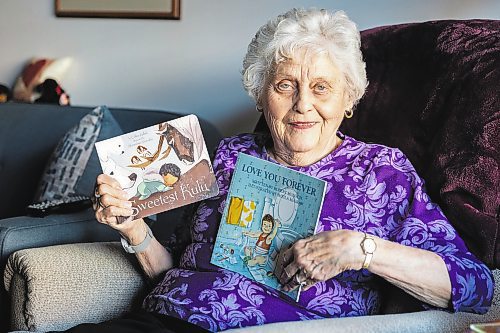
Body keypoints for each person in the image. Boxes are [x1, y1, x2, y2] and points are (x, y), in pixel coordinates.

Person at [83, 8, 493, 333]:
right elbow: (176, 270)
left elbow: (475, 285)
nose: (302, 104)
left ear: (348, 100)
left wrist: (362, 249)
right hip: (161, 320)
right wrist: (135, 230)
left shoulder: (382, 172)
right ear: (262, 97)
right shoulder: (228, 155)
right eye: (284, 85)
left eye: (321, 87)